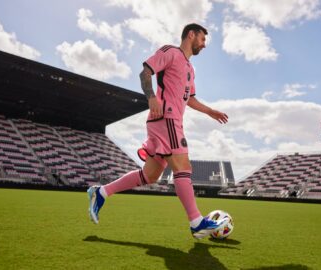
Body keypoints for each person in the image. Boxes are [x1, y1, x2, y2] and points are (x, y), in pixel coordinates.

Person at [88, 23, 229, 239]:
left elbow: (189, 99)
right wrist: (151, 97)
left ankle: (102, 192)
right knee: (183, 166)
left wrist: (210, 111)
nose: (204, 45)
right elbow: (145, 73)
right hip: (166, 118)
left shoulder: (191, 70)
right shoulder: (170, 52)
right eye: (202, 39)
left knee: (150, 175)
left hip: (170, 121)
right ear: (191, 34)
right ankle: (196, 222)